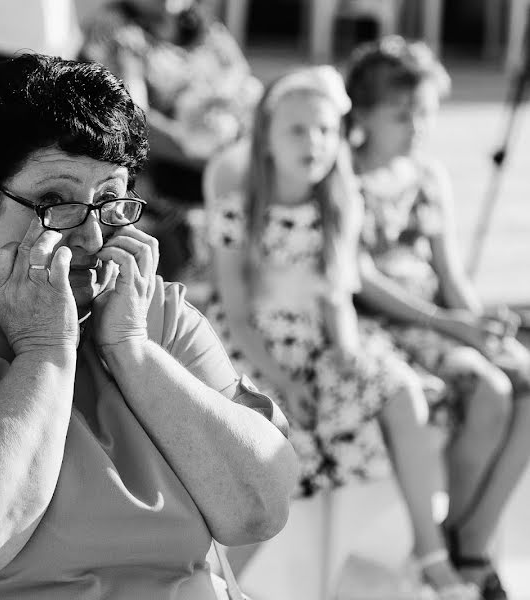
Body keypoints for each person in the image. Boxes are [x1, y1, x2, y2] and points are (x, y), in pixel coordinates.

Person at [0, 53, 297, 599]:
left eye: (109, 201)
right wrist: (45, 351)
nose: (92, 239)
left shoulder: (157, 316)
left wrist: (132, 352)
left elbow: (259, 510)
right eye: (54, 202)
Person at [202, 65, 481, 598]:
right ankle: (220, 579)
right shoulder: (243, 209)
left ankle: (431, 552)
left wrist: (348, 351)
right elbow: (235, 314)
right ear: (266, 140)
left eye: (327, 130)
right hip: (258, 348)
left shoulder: (339, 202)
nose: (316, 142)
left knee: (399, 390)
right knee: (282, 449)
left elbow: (337, 295)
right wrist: (280, 383)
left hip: (322, 340)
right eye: (298, 130)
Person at [347, 36, 530, 600]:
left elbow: (451, 275)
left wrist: (481, 326)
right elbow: (360, 279)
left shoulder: (427, 178)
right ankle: (461, 551)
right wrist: (452, 329)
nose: (418, 126)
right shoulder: (344, 179)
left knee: (520, 375)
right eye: (403, 115)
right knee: (488, 391)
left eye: (425, 113)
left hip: (438, 324)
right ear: (363, 116)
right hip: (384, 329)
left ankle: (471, 533)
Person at [82, 0, 262, 280]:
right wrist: (207, 158)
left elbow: (247, 88)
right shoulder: (119, 33)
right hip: (167, 183)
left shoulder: (210, 31)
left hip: (227, 167)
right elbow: (132, 120)